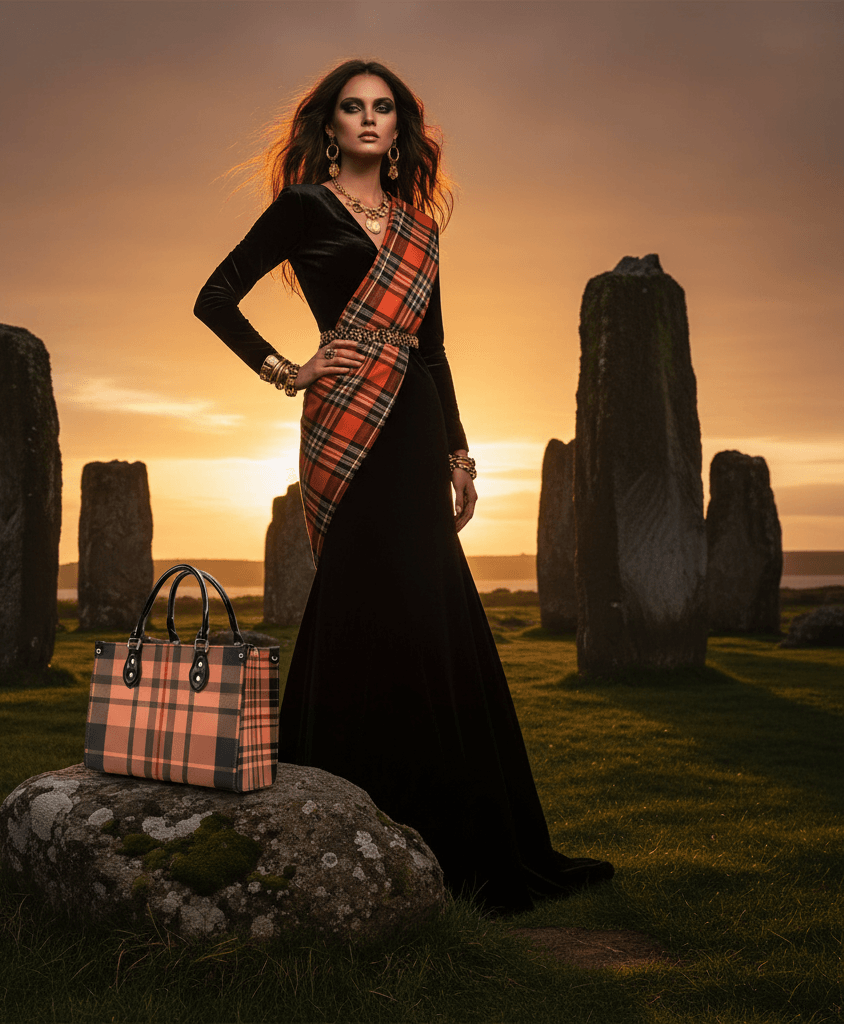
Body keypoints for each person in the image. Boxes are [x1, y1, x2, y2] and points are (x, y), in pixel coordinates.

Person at [194, 59, 613, 915]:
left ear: (400, 128)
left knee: (433, 609)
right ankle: (336, 817)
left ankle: (470, 838)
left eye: (384, 108)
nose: (369, 120)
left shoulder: (418, 228)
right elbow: (215, 297)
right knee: (357, 597)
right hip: (347, 418)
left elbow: (435, 351)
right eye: (353, 108)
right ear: (330, 125)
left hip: (416, 425)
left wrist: (459, 455)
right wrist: (290, 368)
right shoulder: (305, 208)